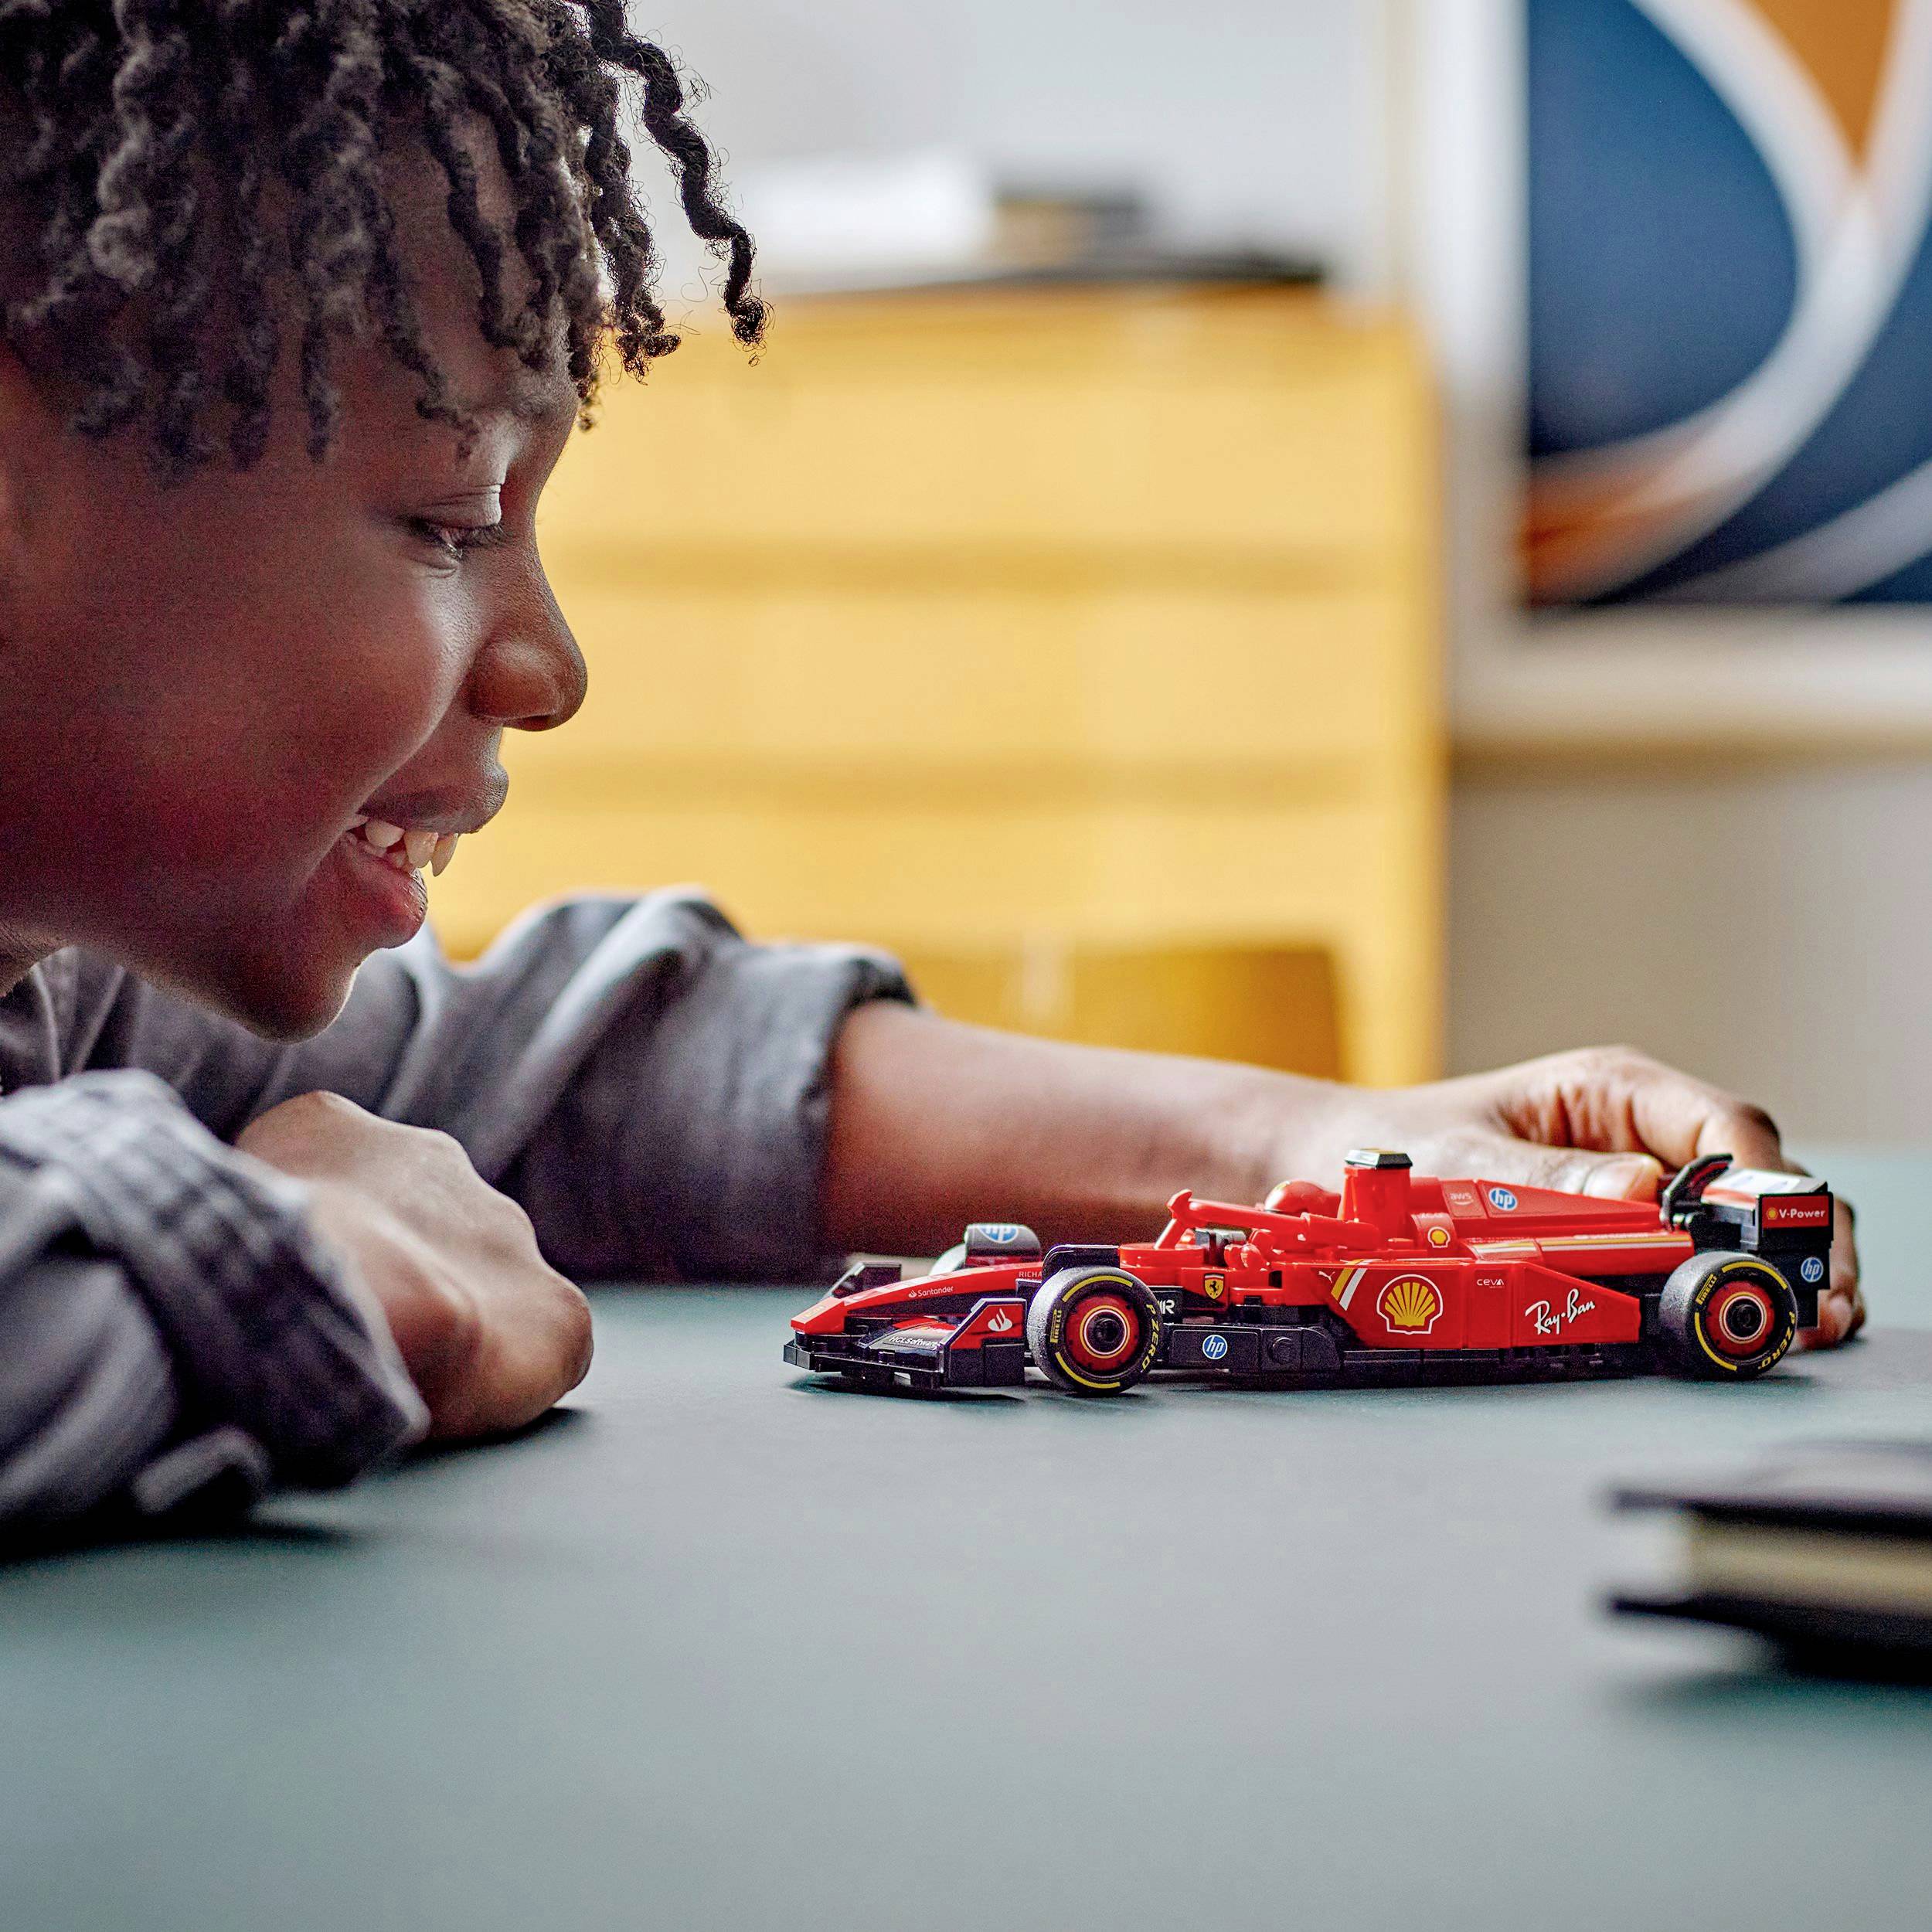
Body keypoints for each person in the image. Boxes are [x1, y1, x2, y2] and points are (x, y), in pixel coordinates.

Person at [0, 2, 1860, 1535]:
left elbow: (569, 1077)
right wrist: (300, 1271)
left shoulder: (56, 993)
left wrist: (1291, 1154)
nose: (549, 666)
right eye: (445, 514)